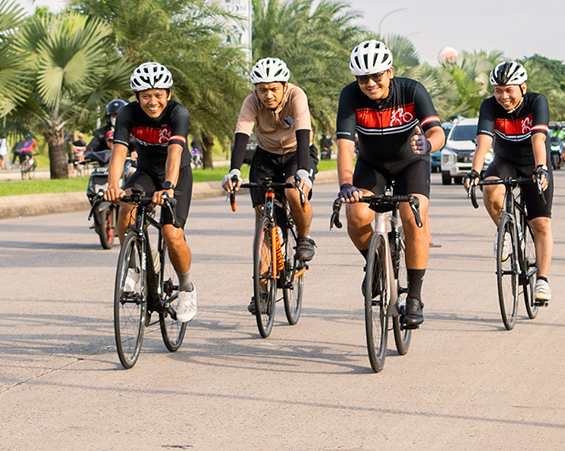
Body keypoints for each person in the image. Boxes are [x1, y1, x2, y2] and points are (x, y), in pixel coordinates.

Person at [336, 40, 445, 329]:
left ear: (390, 72)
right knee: (357, 216)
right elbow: (345, 145)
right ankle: (376, 265)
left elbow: (437, 131)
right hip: (372, 165)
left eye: (377, 76)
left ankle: (415, 297)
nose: (370, 83)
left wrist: (428, 143)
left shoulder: (412, 90)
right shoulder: (350, 96)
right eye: (363, 78)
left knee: (414, 216)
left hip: (412, 161)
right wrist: (346, 184)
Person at [221, 57, 319, 314]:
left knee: (292, 191)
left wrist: (303, 173)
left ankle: (305, 238)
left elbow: (303, 130)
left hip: (298, 153)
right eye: (262, 89)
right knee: (263, 217)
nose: (268, 95)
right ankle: (262, 292)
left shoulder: (297, 96)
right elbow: (242, 132)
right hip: (265, 155)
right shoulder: (251, 101)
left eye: (273, 89)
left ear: (284, 85)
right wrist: (234, 169)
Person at [104, 62, 197, 323]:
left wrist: (167, 187)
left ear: (168, 94)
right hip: (145, 171)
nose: (152, 101)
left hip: (176, 175)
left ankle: (187, 288)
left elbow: (175, 153)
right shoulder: (127, 114)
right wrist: (113, 186)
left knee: (171, 234)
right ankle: (134, 267)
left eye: (158, 95)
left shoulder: (179, 113)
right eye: (146, 96)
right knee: (125, 206)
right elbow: (119, 152)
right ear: (137, 97)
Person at [464, 61, 554, 302]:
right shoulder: (489, 106)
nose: (503, 96)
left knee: (541, 224)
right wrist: (475, 171)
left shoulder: (537, 102)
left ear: (522, 88)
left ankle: (542, 281)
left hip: (534, 161)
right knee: (490, 187)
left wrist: (541, 169)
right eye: (498, 90)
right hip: (506, 160)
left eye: (509, 90)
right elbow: (484, 140)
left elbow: (538, 138)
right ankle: (506, 232)